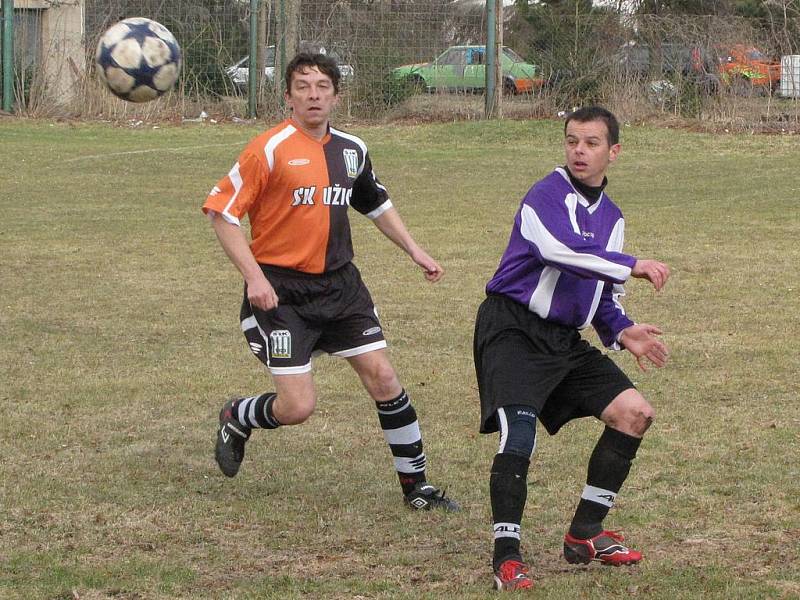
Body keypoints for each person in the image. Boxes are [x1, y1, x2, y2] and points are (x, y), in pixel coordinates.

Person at [202, 52, 458, 512]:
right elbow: (221, 213)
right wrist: (254, 277)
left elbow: (374, 203)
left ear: (336, 96)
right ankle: (237, 415)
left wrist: (415, 250)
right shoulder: (268, 149)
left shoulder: (352, 149)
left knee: (384, 377)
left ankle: (417, 488)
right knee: (297, 408)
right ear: (288, 96)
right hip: (282, 294)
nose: (313, 95)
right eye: (303, 86)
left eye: (322, 86)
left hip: (341, 288)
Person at [473, 106, 670, 590]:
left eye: (591, 143)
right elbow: (559, 252)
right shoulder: (545, 194)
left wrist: (622, 330)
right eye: (572, 141)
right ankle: (507, 557)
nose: (579, 151)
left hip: (562, 340)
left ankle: (585, 533)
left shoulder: (613, 218)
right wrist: (631, 263)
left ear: (613, 152)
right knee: (519, 436)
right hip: (513, 330)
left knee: (635, 413)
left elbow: (601, 290)